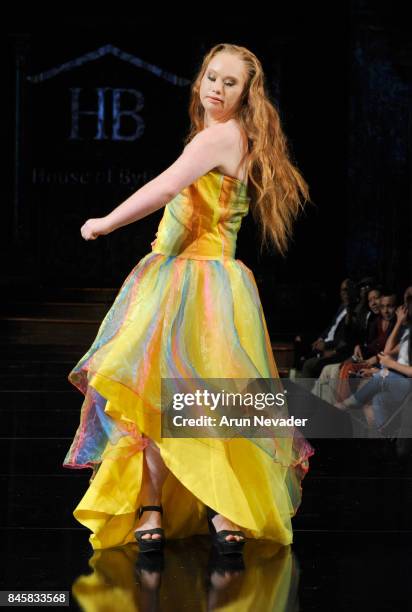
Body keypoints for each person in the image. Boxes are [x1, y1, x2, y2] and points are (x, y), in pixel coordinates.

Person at [63, 43, 315, 554]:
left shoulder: (221, 136)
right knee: (166, 397)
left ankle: (213, 502)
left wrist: (105, 222)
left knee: (197, 400)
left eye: (230, 83)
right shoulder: (217, 136)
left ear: (246, 94)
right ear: (199, 80)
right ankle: (158, 502)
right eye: (212, 78)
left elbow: (164, 187)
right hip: (188, 278)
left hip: (198, 282)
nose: (217, 90)